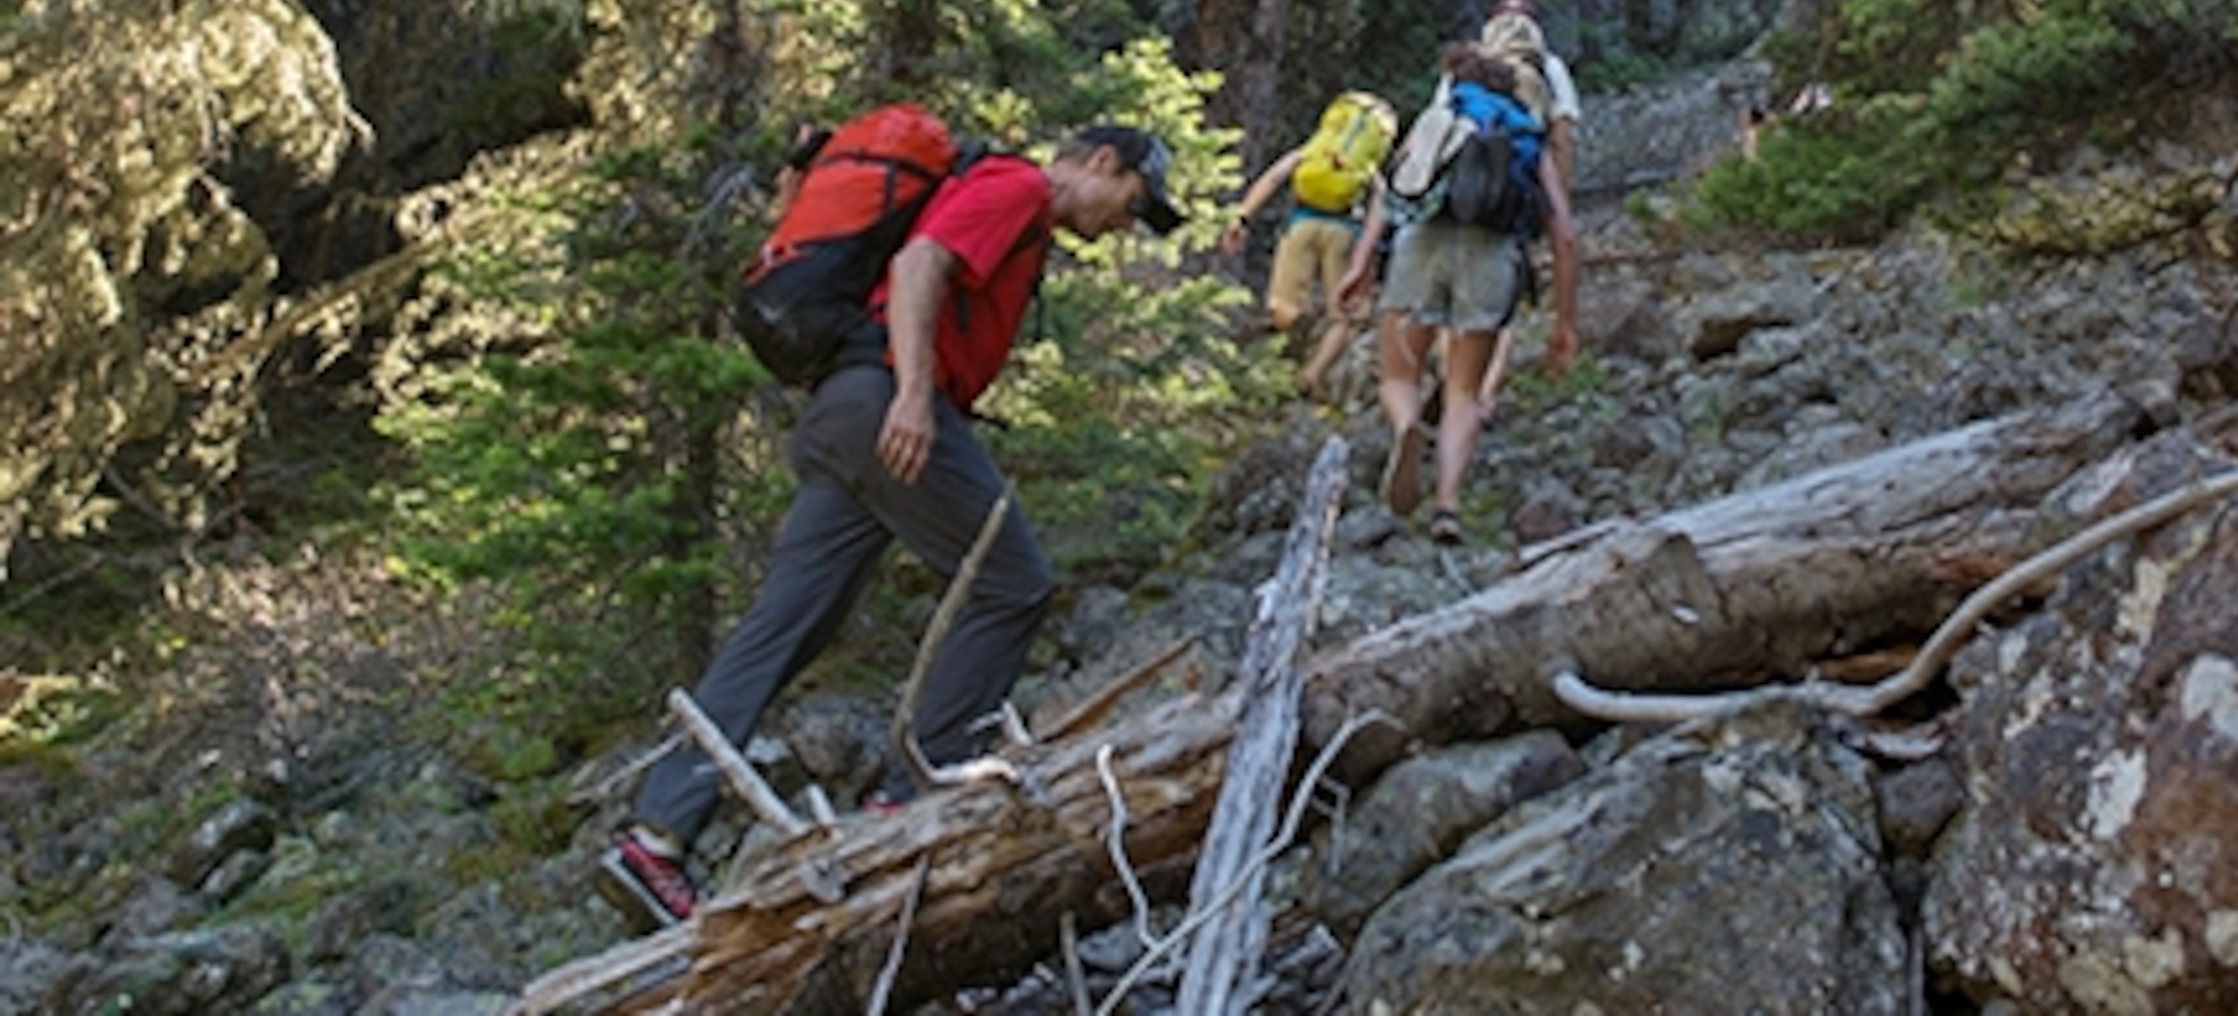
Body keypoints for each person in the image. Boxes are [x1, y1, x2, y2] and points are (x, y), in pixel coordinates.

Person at [598, 121, 1185, 932]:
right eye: (1133, 202)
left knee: (783, 625)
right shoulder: (1018, 187)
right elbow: (918, 265)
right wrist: (912, 394)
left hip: (841, 411)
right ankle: (911, 794)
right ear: (1100, 162)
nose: (1127, 224)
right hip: (885, 402)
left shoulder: (1009, 198)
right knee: (1015, 582)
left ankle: (655, 838)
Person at [1341, 46, 1575, 544]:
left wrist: (1360, 265)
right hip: (1490, 255)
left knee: (1398, 374)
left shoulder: (1439, 118)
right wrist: (1564, 323)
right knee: (1464, 391)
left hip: (1418, 244)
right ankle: (1447, 506)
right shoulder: (1526, 136)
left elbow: (1391, 193)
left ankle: (1407, 425)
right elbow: (1565, 234)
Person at [1215, 94, 1395, 350]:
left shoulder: (1311, 152)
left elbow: (1274, 177)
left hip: (1301, 224)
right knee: (1342, 318)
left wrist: (1242, 218)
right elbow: (1380, 211)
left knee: (1283, 305)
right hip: (1344, 232)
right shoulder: (1366, 168)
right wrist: (1364, 263)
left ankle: (1290, 347)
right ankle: (1312, 371)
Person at [1474, 0, 1579, 415]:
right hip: (1516, 191)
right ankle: (1483, 394)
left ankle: (1448, 384)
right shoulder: (1548, 67)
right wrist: (1559, 201)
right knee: (1504, 294)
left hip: (1459, 194)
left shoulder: (1469, 65)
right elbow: (1562, 133)